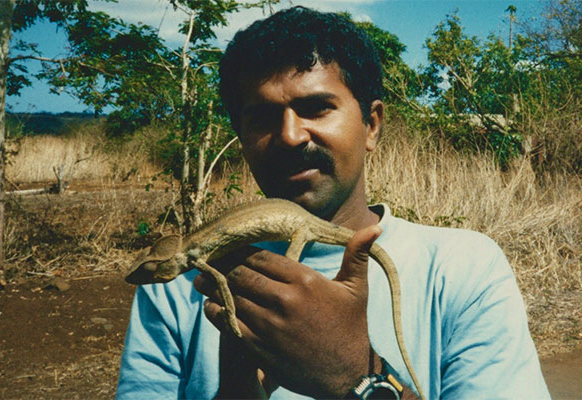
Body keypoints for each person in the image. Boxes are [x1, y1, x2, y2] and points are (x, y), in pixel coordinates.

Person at [116, 6, 550, 400]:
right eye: (262, 117)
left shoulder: (464, 269)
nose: (290, 135)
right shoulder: (176, 291)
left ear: (372, 125)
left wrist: (356, 376)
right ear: (241, 138)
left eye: (317, 108)